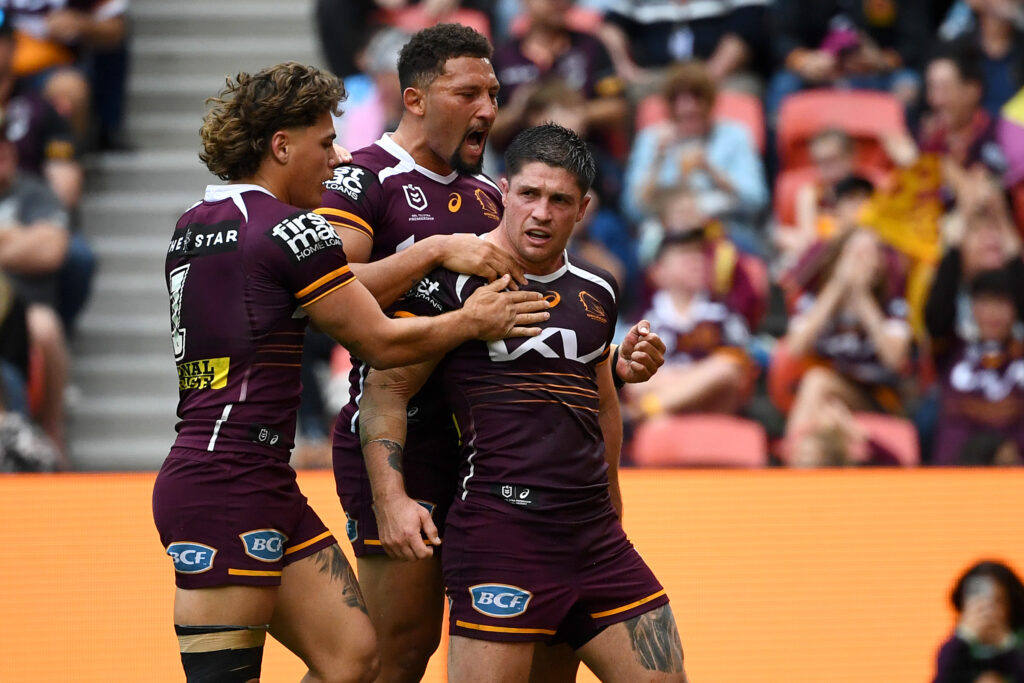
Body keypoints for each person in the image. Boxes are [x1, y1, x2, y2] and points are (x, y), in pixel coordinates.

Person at [151, 62, 549, 683]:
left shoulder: (192, 225)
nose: (338, 160)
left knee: (355, 658)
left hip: (248, 476)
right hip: (224, 482)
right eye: (325, 142)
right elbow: (381, 340)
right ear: (281, 146)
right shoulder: (289, 228)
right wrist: (473, 320)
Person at [321, 24, 666, 683]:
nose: (488, 108)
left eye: (494, 92)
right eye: (469, 92)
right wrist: (431, 250)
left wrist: (615, 362)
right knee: (396, 651)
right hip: (400, 432)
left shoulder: (490, 195)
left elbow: (535, 326)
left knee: (530, 645)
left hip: (488, 451)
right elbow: (327, 290)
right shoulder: (366, 176)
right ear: (416, 98)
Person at [622, 60, 768, 256]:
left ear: (710, 101)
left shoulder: (735, 135)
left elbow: (756, 201)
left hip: (723, 226)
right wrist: (657, 160)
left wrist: (712, 170)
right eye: (677, 99)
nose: (687, 106)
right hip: (667, 230)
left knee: (747, 246)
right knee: (636, 253)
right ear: (669, 105)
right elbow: (633, 209)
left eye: (695, 96)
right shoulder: (651, 140)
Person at [623, 229, 752, 422]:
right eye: (686, 255)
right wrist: (690, 378)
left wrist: (677, 377)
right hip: (665, 414)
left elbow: (736, 372)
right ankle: (656, 409)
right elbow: (632, 381)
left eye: (700, 255)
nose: (697, 261)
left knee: (725, 366)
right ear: (659, 272)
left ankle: (646, 410)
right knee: (650, 407)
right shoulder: (644, 320)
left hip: (715, 408)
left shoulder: (724, 313)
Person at [933, 560, 1024, 682]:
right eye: (977, 603)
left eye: (997, 601)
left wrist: (1006, 643)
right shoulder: (956, 649)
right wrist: (965, 636)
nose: (986, 613)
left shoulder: (1018, 643)